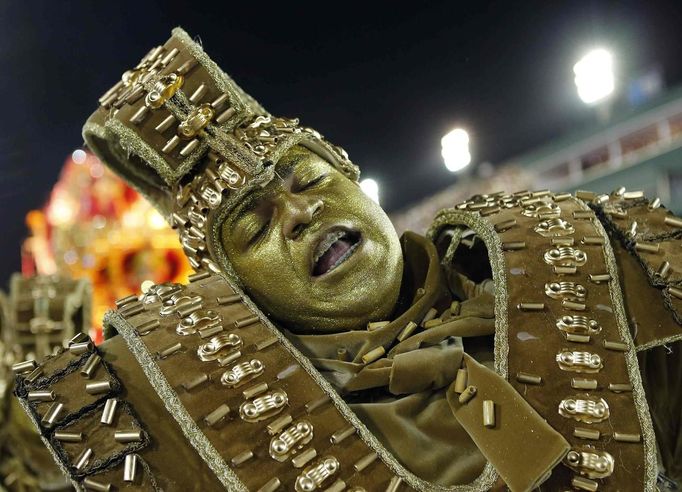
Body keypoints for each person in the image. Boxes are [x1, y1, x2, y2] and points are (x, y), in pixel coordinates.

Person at [14, 28, 681, 492]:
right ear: (236, 288)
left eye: (306, 182)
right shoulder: (198, 433)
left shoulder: (585, 258)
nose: (299, 214)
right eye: (254, 227)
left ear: (351, 175)